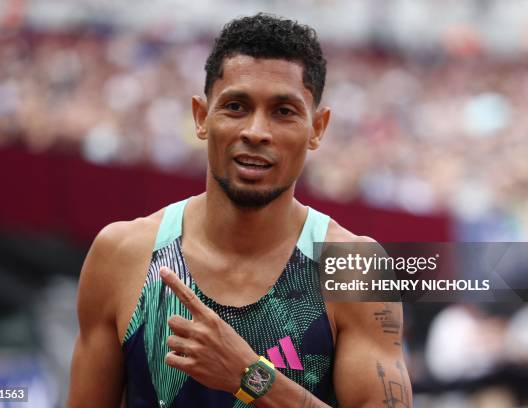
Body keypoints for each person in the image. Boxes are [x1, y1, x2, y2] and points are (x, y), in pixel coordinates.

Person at [68, 13, 411, 407]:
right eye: (236, 106)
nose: (256, 131)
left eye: (283, 111)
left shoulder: (354, 266)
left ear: (317, 128)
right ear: (201, 116)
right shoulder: (122, 253)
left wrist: (250, 377)